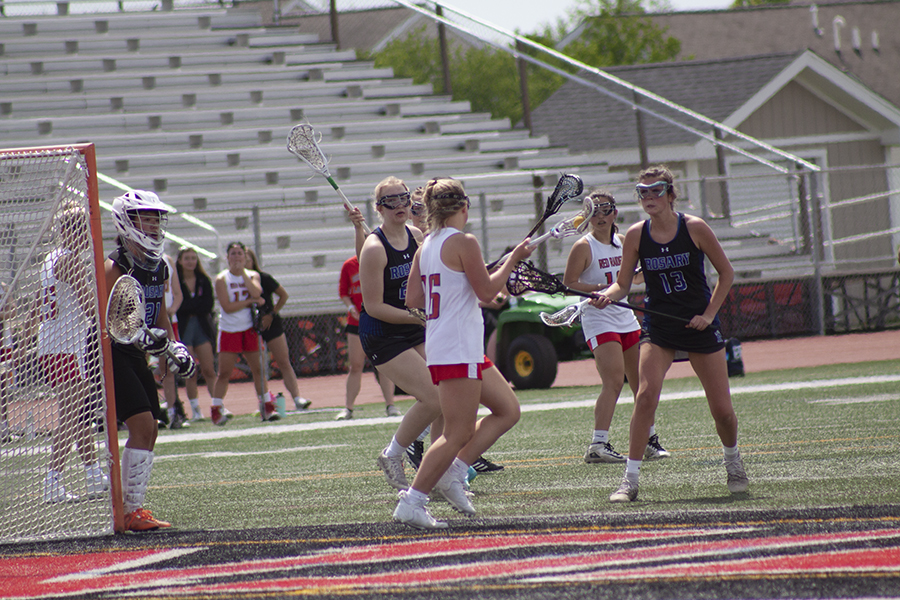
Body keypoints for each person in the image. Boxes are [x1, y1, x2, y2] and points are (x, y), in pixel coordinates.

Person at [592, 165, 748, 502]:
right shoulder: (635, 234)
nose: (648, 197)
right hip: (659, 329)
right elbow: (623, 283)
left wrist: (708, 315)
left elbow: (726, 273)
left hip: (698, 326)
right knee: (645, 396)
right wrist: (608, 295)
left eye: (656, 190)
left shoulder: (694, 228)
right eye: (642, 191)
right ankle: (629, 481)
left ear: (670, 194)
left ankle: (733, 460)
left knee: (722, 410)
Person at [396, 177, 533, 529]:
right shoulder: (463, 241)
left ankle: (453, 473)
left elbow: (413, 299)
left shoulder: (426, 246)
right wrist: (514, 258)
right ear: (463, 206)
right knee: (456, 433)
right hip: (456, 345)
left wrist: (463, 288)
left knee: (508, 409)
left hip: (457, 343)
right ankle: (414, 500)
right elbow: (488, 292)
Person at [105, 190, 196, 530]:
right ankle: (125, 510)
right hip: (109, 352)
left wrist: (175, 347)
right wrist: (152, 342)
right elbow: (108, 321)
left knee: (151, 428)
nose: (154, 224)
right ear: (127, 221)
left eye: (157, 218)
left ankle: (133, 509)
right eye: (147, 217)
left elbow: (160, 318)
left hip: (134, 353)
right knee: (142, 425)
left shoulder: (160, 266)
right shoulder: (116, 266)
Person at [562, 189, 670, 465]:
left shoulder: (623, 241)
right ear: (586, 215)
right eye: (594, 210)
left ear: (615, 213)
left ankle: (648, 440)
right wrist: (600, 289)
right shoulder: (583, 246)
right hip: (598, 318)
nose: (600, 216)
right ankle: (598, 444)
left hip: (624, 316)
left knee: (641, 384)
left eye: (605, 209)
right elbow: (569, 284)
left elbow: (632, 280)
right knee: (612, 381)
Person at [353, 176, 442, 496]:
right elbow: (374, 306)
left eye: (404, 198)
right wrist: (419, 317)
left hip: (413, 324)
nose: (400, 205)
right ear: (379, 209)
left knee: (448, 394)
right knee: (434, 396)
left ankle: (440, 474)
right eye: (390, 201)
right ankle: (393, 455)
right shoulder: (374, 249)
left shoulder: (417, 235)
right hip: (382, 333)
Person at [37, 202, 109, 503]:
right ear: (66, 231)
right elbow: (89, 305)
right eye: (77, 228)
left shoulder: (49, 258)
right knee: (71, 415)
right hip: (66, 346)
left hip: (54, 344)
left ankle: (93, 475)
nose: (83, 234)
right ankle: (52, 479)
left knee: (78, 416)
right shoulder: (69, 262)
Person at [244, 248, 313, 416]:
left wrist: (272, 313)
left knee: (283, 361)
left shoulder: (263, 278)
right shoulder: (235, 281)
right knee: (258, 367)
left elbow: (283, 295)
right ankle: (265, 402)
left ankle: (297, 398)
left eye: (247, 259)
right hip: (249, 325)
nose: (245, 263)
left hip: (270, 323)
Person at [211, 241, 266, 425]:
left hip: (250, 328)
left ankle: (265, 405)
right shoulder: (221, 279)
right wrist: (250, 300)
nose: (236, 257)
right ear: (227, 257)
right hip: (230, 329)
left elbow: (257, 293)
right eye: (233, 254)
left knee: (258, 369)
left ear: (245, 256)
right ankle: (216, 409)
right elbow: (227, 307)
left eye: (239, 254)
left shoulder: (252, 275)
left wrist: (242, 273)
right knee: (225, 372)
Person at [337, 254, 398, 420]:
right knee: (356, 366)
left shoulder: (380, 259)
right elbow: (344, 292)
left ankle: (390, 405)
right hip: (357, 322)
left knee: (384, 364)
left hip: (378, 320)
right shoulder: (349, 265)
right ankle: (348, 408)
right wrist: (350, 308)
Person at [175, 246, 218, 422]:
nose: (190, 261)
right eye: (187, 258)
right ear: (180, 261)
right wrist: (192, 306)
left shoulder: (203, 280)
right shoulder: (176, 280)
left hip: (201, 327)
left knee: (209, 369)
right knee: (189, 371)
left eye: (193, 258)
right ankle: (195, 410)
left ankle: (218, 406)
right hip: (185, 328)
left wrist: (190, 306)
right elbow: (179, 305)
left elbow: (208, 304)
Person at [159, 252, 189, 429]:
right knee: (141, 366)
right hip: (145, 321)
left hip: (168, 321)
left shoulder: (167, 259)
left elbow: (178, 294)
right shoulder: (136, 256)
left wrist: (171, 310)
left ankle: (172, 413)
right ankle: (149, 412)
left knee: (168, 368)